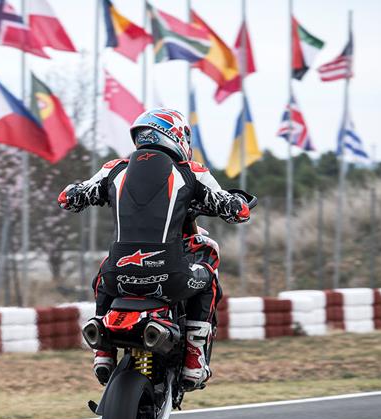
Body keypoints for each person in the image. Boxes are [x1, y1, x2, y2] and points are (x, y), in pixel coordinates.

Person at [58, 108, 250, 390]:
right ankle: (195, 359)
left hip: (118, 278)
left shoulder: (114, 169)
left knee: (104, 268)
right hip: (170, 278)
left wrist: (83, 192)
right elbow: (240, 212)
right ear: (178, 137)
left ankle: (103, 352)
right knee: (208, 259)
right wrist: (233, 202)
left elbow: (67, 199)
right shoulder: (192, 172)